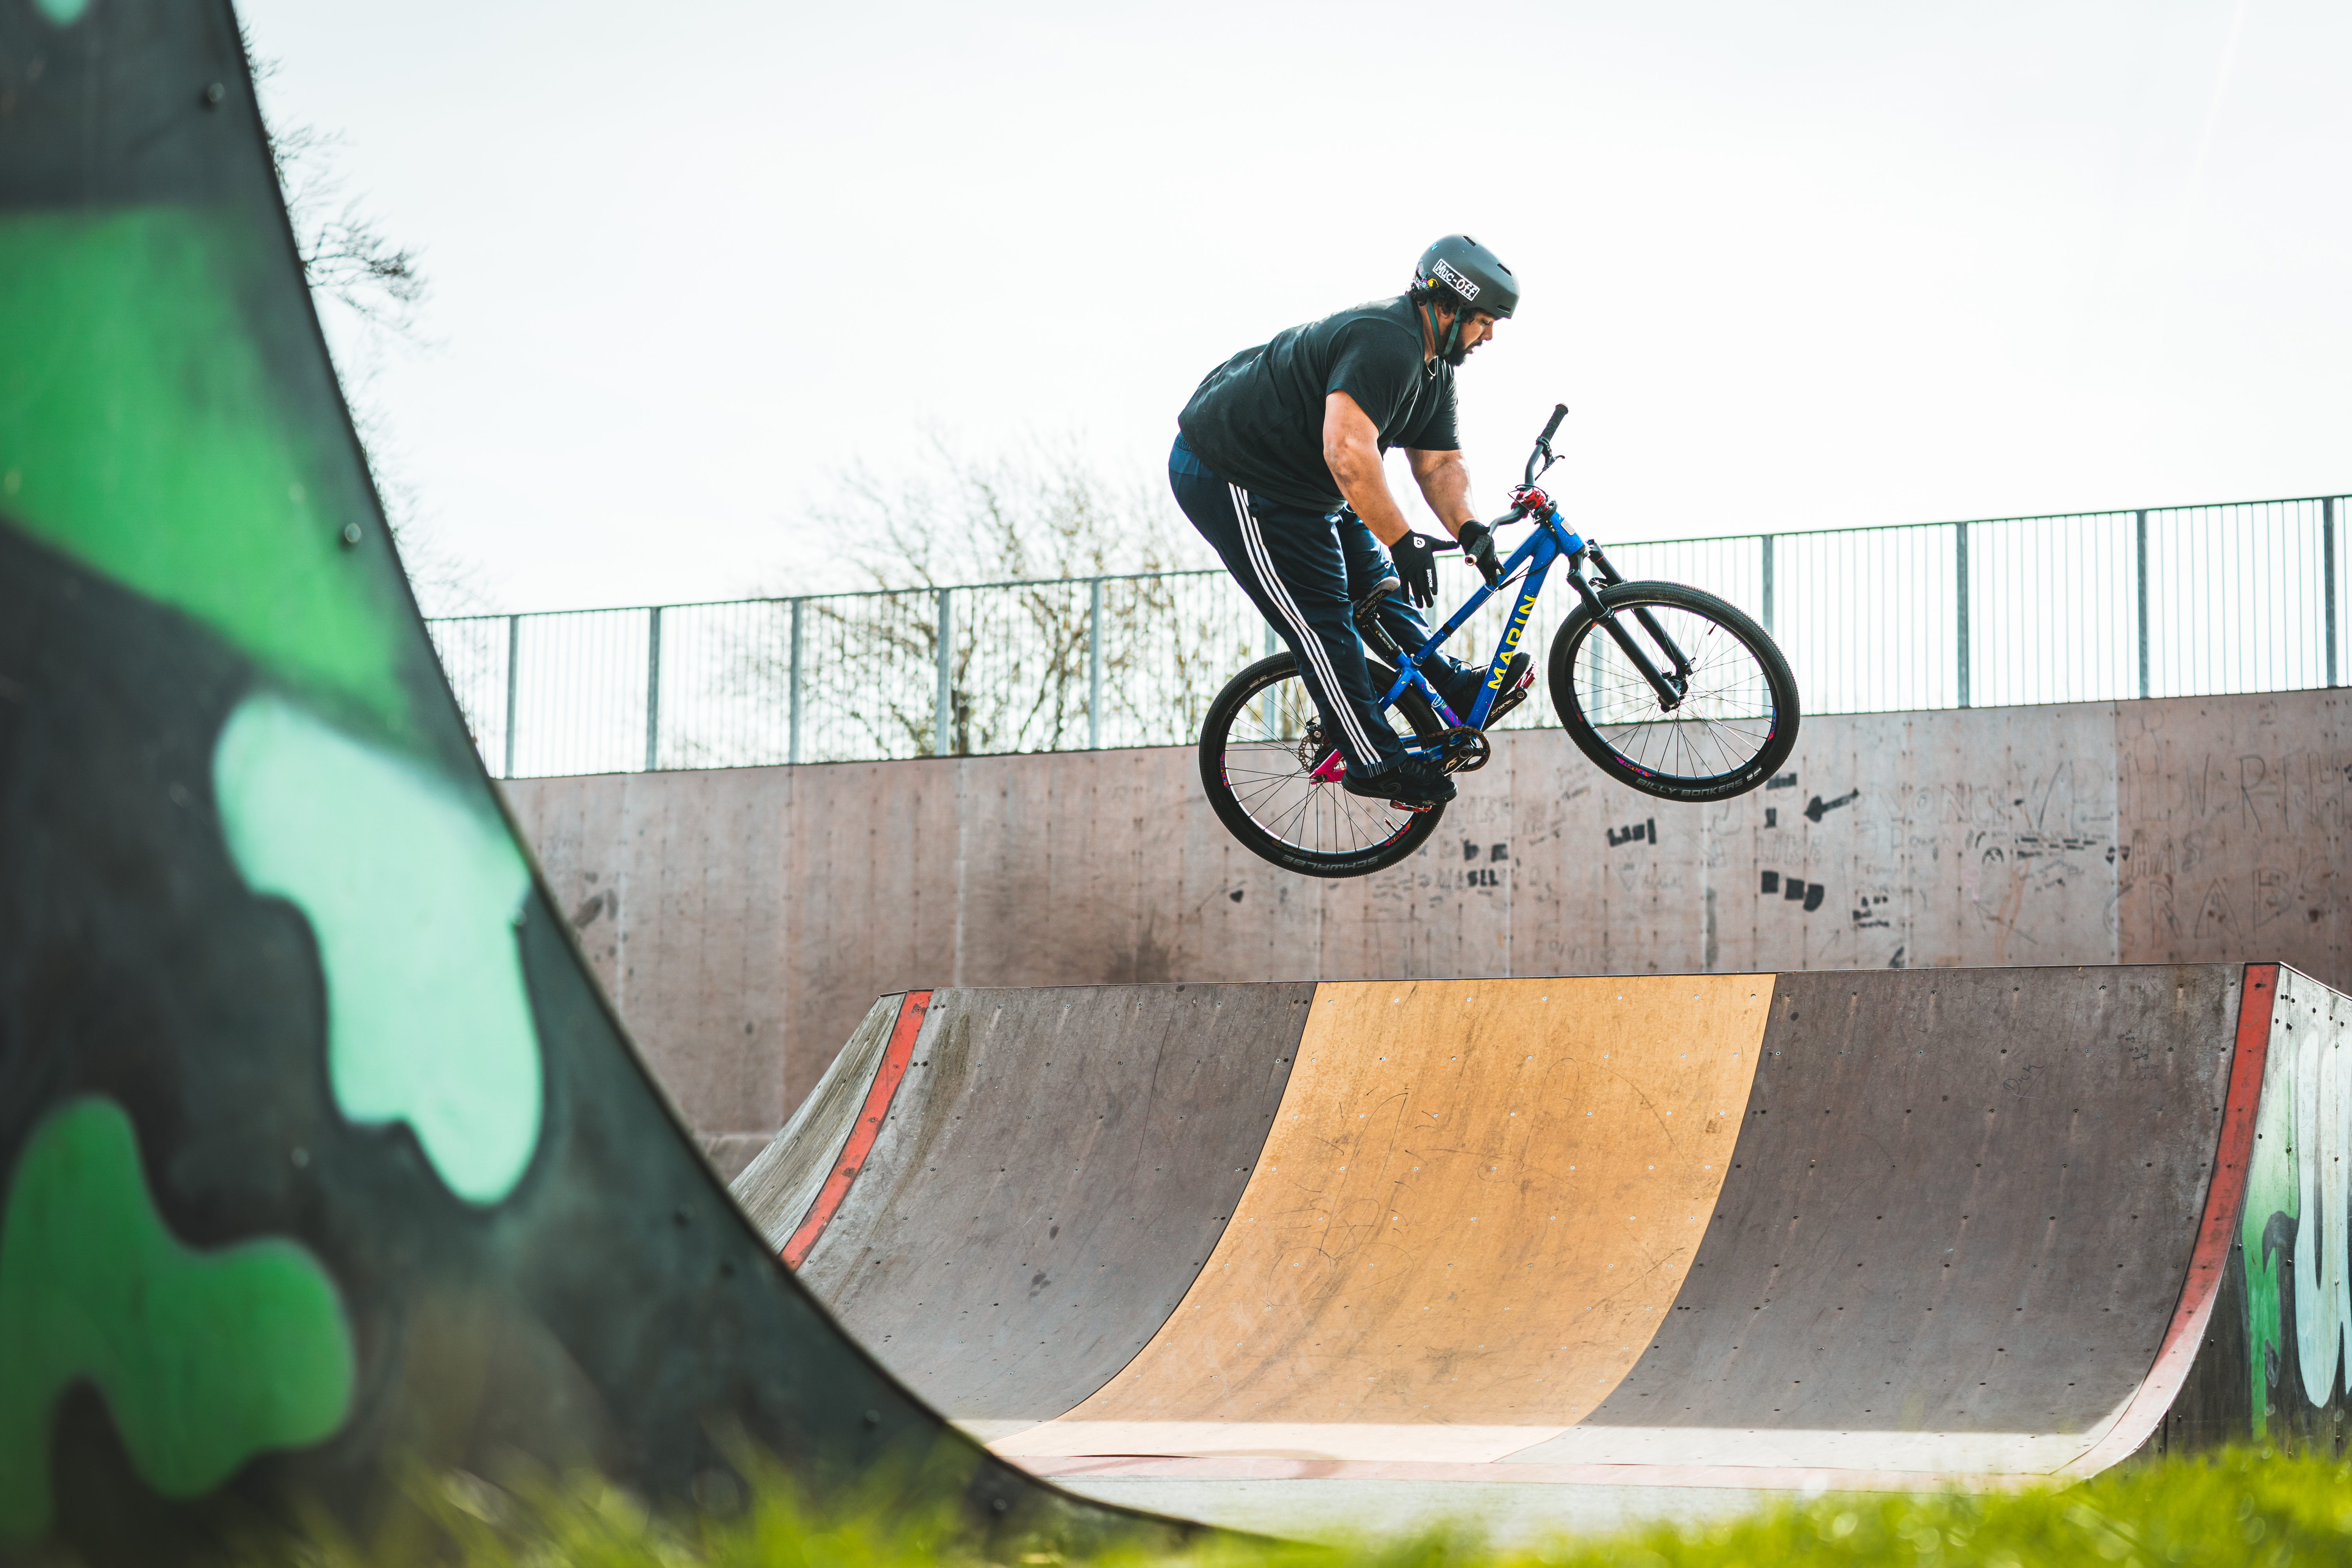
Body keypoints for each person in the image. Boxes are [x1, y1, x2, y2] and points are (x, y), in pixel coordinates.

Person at [1167, 234, 1534, 812]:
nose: (1488, 336)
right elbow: (1347, 450)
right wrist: (1400, 537)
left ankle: (1448, 681)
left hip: (1310, 488)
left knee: (1379, 589)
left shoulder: (1434, 369)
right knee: (1322, 622)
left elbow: (1437, 463)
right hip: (1234, 472)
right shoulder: (1385, 341)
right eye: (1484, 321)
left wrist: (1468, 527)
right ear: (1448, 308)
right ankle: (1372, 760)